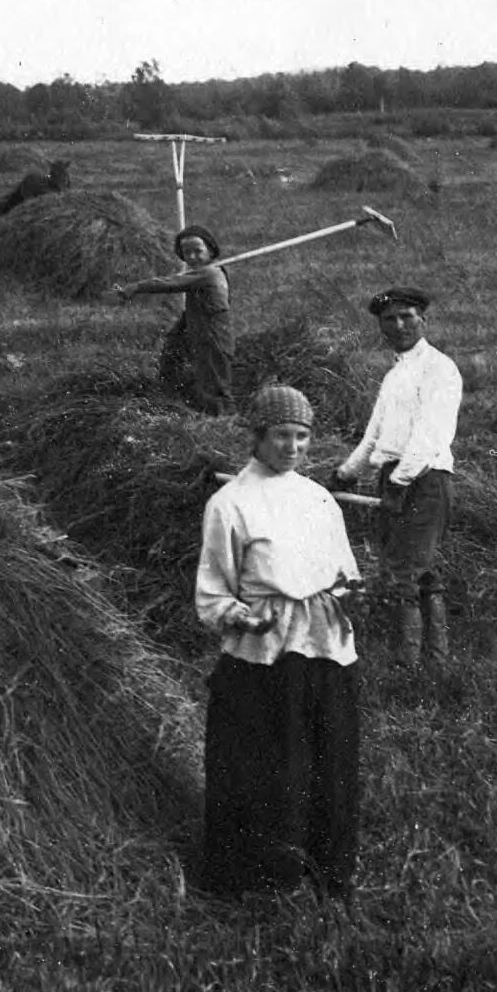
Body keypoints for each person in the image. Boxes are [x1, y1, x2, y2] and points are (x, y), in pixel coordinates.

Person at [193, 384, 364, 903]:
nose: (293, 448)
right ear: (258, 437)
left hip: (327, 646)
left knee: (329, 758)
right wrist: (241, 618)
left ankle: (327, 872)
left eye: (303, 437)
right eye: (282, 436)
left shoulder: (318, 499)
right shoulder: (230, 504)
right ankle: (262, 879)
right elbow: (211, 591)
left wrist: (355, 596)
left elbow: (345, 572)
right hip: (264, 655)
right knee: (268, 764)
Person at [334, 285, 464, 666]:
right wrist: (344, 474)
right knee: (416, 570)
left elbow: (430, 436)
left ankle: (408, 667)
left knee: (401, 573)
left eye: (407, 316)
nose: (399, 324)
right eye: (389, 319)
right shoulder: (395, 375)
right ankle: (434, 661)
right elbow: (374, 435)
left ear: (424, 319)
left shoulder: (439, 368)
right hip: (396, 476)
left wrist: (399, 481)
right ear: (381, 327)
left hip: (425, 480)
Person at [114, 225, 233, 415]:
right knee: (196, 374)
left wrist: (136, 287)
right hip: (202, 337)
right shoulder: (205, 274)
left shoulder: (209, 274)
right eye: (187, 252)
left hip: (214, 341)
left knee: (216, 385)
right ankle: (181, 400)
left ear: (210, 250)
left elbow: (171, 283)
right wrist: (175, 334)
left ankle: (226, 422)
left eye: (197, 251)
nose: (192, 257)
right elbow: (193, 312)